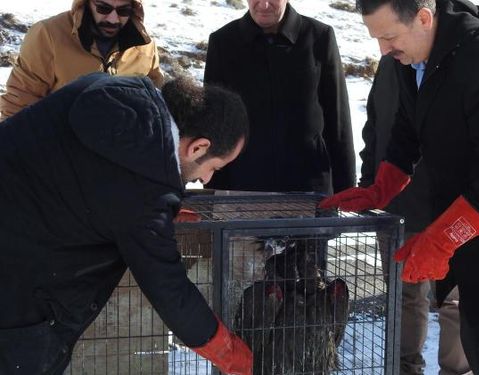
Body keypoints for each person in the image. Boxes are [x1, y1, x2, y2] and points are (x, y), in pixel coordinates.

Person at [320, 0, 479, 374]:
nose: (383, 51)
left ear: (424, 18)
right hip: (475, 233)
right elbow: (408, 128)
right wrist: (381, 186)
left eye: (389, 36)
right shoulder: (410, 60)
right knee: (475, 344)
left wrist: (441, 239)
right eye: (377, 38)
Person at [0, 73, 252, 375]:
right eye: (215, 167)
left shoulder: (115, 91)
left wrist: (163, 209)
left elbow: (94, 182)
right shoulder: (143, 193)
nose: (207, 179)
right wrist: (226, 350)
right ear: (197, 147)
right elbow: (167, 285)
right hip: (17, 291)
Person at [361, 54, 470, 375]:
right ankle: (404, 369)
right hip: (396, 206)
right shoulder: (390, 63)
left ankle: (458, 371)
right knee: (403, 297)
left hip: (449, 208)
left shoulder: (462, 59)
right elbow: (375, 125)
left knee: (453, 299)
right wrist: (370, 183)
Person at [203, 0, 356, 195]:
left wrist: (346, 190)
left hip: (310, 190)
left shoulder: (319, 37)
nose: (264, 5)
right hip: (243, 190)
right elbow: (212, 125)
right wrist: (214, 194)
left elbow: (338, 121)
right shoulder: (223, 42)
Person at [0, 0, 163, 120]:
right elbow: (19, 101)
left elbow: (156, 102)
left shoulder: (145, 45)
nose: (113, 19)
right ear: (85, 3)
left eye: (123, 11)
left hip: (117, 154)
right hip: (57, 150)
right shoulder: (48, 35)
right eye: (103, 8)